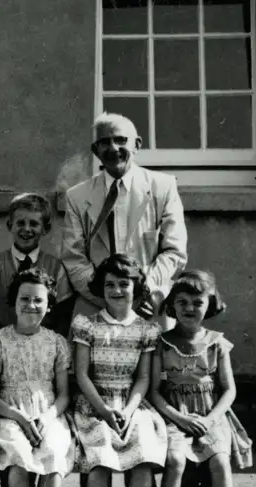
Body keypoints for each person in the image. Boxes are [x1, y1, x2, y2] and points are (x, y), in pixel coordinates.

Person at [148, 270, 253, 487]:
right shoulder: (162, 343)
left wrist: (210, 419)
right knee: (176, 460)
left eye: (197, 302)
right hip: (174, 414)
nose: (189, 309)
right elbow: (155, 392)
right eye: (181, 302)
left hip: (210, 415)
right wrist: (177, 417)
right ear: (172, 305)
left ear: (210, 304)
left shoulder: (218, 343)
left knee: (220, 461)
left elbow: (229, 389)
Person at [70, 254, 168, 487]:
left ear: (136, 287)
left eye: (123, 284)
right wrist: (103, 409)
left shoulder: (146, 330)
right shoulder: (87, 324)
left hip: (131, 403)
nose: (116, 290)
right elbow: (83, 375)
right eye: (109, 284)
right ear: (101, 288)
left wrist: (127, 409)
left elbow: (142, 378)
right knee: (101, 453)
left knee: (142, 454)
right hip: (95, 404)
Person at [62, 112, 187, 328]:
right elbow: (74, 259)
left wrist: (142, 291)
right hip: (96, 303)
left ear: (137, 145)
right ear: (95, 151)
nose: (113, 149)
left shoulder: (163, 187)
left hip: (149, 302)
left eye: (121, 140)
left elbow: (174, 251)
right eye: (104, 142)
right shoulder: (77, 197)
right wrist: (109, 299)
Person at [0, 269, 73, 487]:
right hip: (10, 413)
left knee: (53, 451)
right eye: (25, 299)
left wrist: (47, 417)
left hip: (48, 413)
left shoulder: (57, 342)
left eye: (38, 300)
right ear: (13, 301)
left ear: (49, 304)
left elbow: (63, 395)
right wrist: (20, 417)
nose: (31, 306)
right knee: (19, 454)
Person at [0, 193, 73, 334]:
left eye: (34, 224)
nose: (26, 229)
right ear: (10, 226)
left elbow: (63, 314)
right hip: (3, 341)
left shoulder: (55, 267)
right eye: (20, 223)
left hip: (43, 343)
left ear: (46, 229)